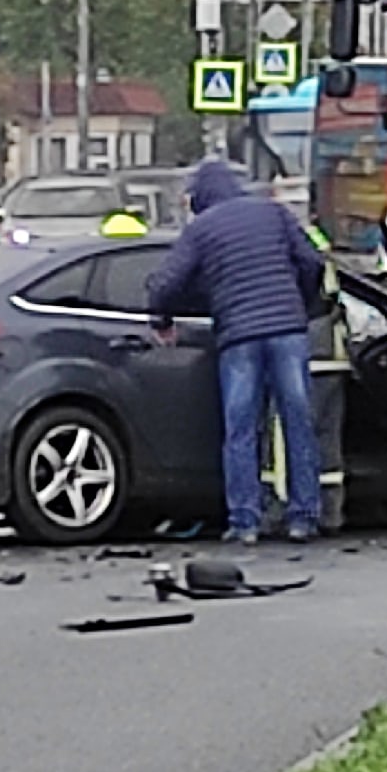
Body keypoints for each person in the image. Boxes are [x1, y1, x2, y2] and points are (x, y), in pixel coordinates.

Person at [146, 159, 327, 546]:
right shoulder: (274, 213)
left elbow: (166, 283)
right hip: (288, 331)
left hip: (239, 336)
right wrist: (304, 304)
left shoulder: (201, 230)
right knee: (297, 422)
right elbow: (312, 261)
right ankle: (303, 517)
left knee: (241, 429)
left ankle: (245, 522)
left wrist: (161, 320)